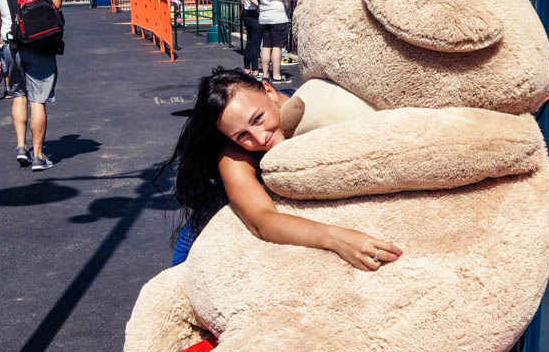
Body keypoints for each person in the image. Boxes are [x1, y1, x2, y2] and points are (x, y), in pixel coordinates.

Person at [166, 67, 402, 270]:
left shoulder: (311, 105)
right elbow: (262, 222)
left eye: (258, 118)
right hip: (201, 237)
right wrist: (337, 239)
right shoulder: (233, 157)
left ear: (269, 92)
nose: (259, 137)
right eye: (241, 135)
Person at [0, 0, 63, 172]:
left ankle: (22, 147)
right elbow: (57, 1)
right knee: (38, 100)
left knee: (18, 95)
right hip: (38, 45)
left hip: (10, 48)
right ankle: (38, 156)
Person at [249, 0, 292, 84]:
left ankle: (265, 75)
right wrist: (287, 2)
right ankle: (277, 76)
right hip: (278, 15)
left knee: (266, 46)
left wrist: (258, 3)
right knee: (277, 46)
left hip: (264, 16)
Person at [240, 0, 262, 77]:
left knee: (249, 41)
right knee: (255, 43)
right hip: (254, 13)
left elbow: (242, 1)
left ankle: (247, 68)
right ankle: (255, 69)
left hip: (246, 13)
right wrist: (259, 5)